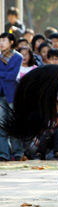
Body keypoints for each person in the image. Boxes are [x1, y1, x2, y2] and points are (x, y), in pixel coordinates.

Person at [0, 32, 24, 161]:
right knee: (2, 125)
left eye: (4, 40)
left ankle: (18, 153)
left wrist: (1, 74)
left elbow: (13, 75)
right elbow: (8, 75)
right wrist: (5, 74)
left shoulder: (18, 57)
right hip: (0, 95)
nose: (1, 43)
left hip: (13, 94)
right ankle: (4, 154)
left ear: (11, 42)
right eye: (0, 40)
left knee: (14, 124)